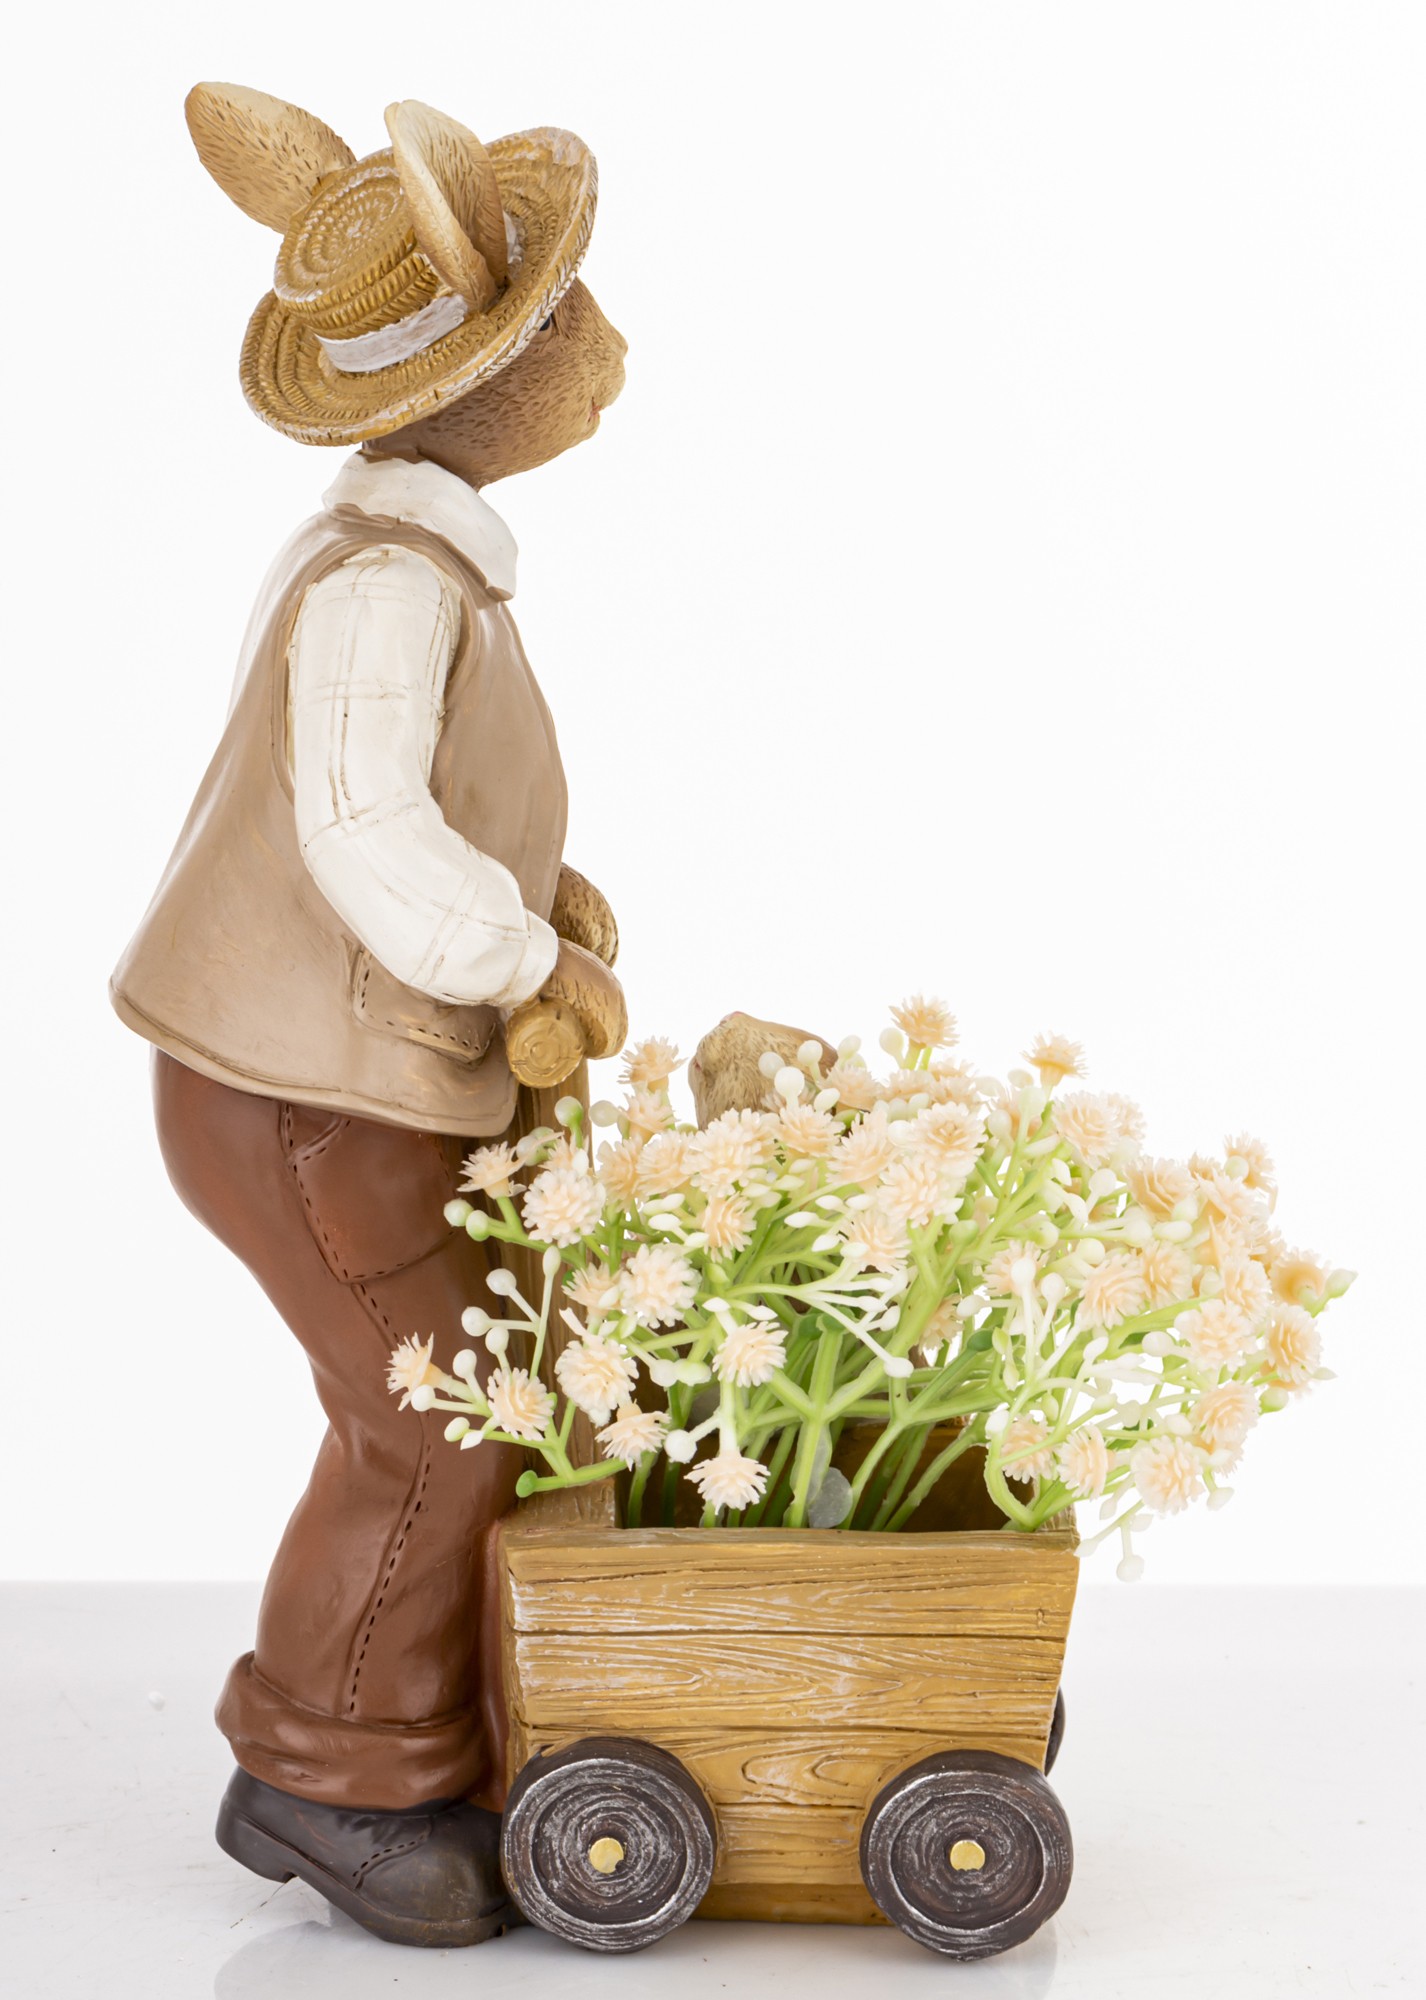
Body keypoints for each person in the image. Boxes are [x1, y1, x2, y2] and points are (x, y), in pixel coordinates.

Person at [111, 85, 627, 1947]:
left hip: (336, 1081)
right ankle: (325, 1775)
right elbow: (361, 832)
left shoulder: (415, 564)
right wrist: (525, 961)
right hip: (309, 1097)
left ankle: (427, 1724)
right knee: (433, 1421)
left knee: (471, 1392)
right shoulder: (392, 583)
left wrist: (540, 898)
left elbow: (404, 808)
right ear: (473, 385)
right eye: (560, 324)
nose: (600, 349)